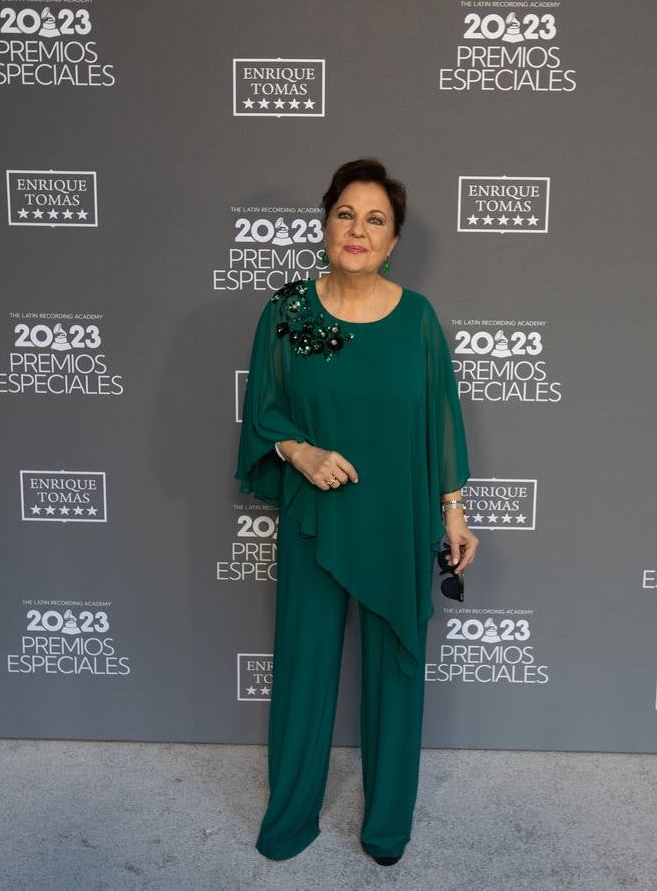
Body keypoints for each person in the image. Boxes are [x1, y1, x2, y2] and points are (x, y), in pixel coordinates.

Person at [235, 157, 478, 865]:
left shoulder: (419, 321)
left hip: (398, 522)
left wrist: (454, 515)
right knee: (303, 670)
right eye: (346, 214)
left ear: (394, 240)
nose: (358, 230)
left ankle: (386, 829)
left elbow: (441, 423)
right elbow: (262, 416)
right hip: (316, 516)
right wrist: (299, 452)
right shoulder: (286, 311)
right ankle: (290, 819)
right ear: (325, 223)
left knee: (396, 674)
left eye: (376, 220)